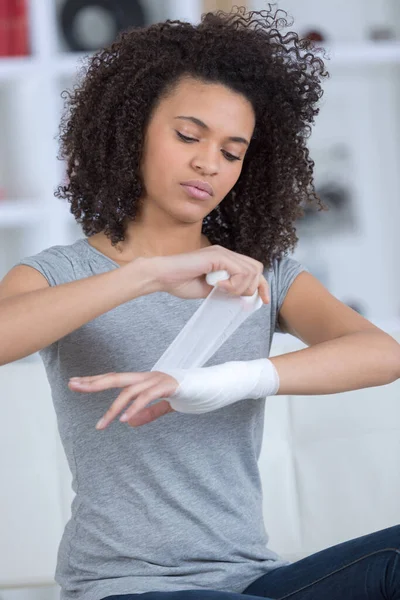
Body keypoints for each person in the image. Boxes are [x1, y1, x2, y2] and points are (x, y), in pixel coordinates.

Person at [0, 6, 399, 600]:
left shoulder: (259, 276)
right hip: (124, 588)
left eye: (232, 152)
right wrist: (149, 273)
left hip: (250, 582)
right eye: (188, 135)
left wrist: (232, 379)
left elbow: (380, 353)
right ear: (131, 127)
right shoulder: (61, 274)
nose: (208, 163)